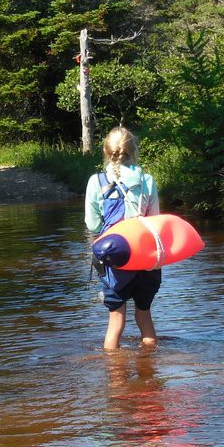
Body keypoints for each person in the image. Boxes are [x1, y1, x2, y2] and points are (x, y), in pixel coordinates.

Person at [85, 127, 161, 350]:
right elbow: (155, 220)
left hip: (115, 259)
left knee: (116, 321)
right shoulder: (147, 180)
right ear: (134, 150)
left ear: (105, 151)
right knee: (145, 317)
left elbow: (92, 224)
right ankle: (149, 373)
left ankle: (116, 379)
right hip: (146, 259)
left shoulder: (96, 182)